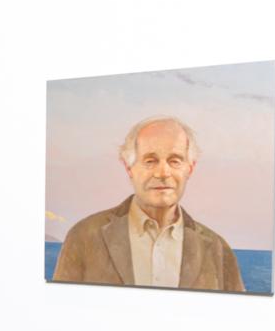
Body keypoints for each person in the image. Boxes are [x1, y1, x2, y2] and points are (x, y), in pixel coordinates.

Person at [53, 116, 243, 291]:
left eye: (175, 161)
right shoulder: (84, 236)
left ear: (190, 168)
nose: (163, 173)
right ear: (129, 167)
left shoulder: (217, 249)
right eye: (150, 161)